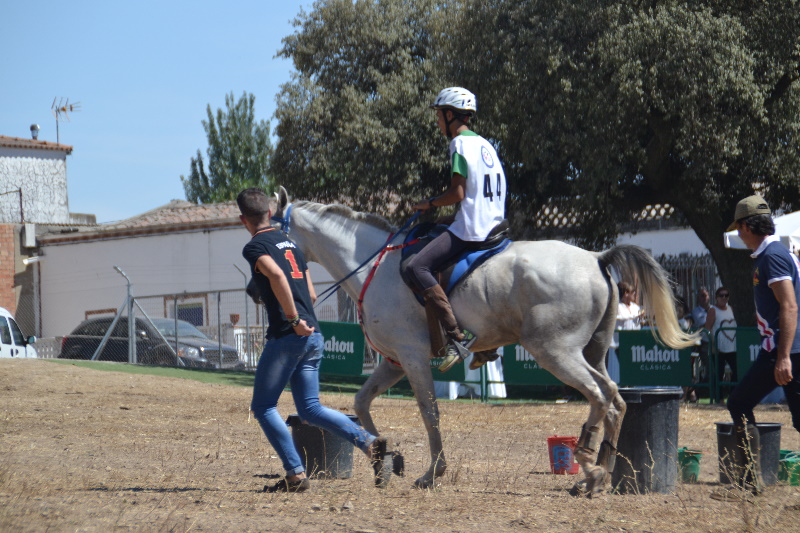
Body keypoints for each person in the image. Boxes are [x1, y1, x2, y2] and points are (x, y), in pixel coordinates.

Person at [237, 188, 391, 493]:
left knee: (264, 406)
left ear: (244, 220)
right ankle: (371, 445)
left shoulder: (255, 246)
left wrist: (292, 319)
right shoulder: (291, 244)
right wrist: (300, 316)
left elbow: (278, 278)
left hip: (288, 336)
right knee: (310, 409)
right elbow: (310, 291)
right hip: (314, 335)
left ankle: (295, 475)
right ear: (270, 212)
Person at [404, 87, 507, 373]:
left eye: (439, 116)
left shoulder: (459, 144)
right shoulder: (486, 144)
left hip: (473, 229)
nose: (437, 122)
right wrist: (443, 218)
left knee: (417, 267)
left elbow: (458, 192)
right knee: (435, 229)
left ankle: (456, 338)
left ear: (450, 115)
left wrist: (429, 203)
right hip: (494, 222)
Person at [711, 195, 800, 502]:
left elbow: (789, 306)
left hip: (790, 350)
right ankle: (749, 482)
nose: (737, 234)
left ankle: (750, 483)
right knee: (738, 402)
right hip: (779, 349)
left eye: (738, 227)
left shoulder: (772, 256)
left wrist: (784, 356)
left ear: (747, 226)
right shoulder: (769, 255)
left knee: (741, 403)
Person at [704, 286, 737, 402]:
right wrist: (712, 344)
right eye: (721, 295)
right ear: (716, 297)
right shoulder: (713, 310)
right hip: (718, 348)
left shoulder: (731, 309)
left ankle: (733, 396)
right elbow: (707, 328)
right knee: (718, 373)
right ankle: (718, 398)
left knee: (736, 370)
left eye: (726, 295)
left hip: (732, 347)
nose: (724, 298)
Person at [607, 281, 643, 382]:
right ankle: (626, 384)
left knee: (633, 366)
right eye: (632, 292)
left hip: (635, 341)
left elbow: (637, 323)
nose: (634, 295)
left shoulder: (635, 307)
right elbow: (620, 318)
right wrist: (634, 316)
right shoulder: (616, 307)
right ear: (626, 293)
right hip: (621, 342)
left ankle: (632, 384)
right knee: (625, 365)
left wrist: (640, 318)